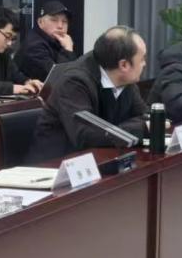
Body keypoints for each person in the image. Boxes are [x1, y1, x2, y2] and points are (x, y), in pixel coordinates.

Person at [29, 26, 149, 161]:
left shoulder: (124, 78)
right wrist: (142, 128)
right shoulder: (74, 82)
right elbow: (85, 135)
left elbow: (144, 116)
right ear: (124, 65)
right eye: (142, 59)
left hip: (103, 158)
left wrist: (136, 127)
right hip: (55, 165)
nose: (144, 64)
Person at [15, 0, 78, 81]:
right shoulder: (34, 46)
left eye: (64, 21)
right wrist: (68, 50)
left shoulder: (57, 42)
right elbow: (57, 79)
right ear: (40, 22)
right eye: (54, 20)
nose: (60, 26)